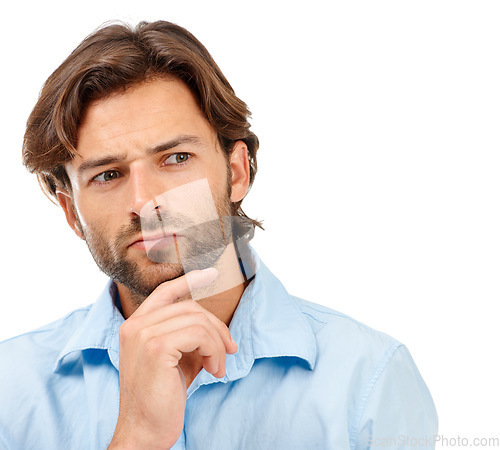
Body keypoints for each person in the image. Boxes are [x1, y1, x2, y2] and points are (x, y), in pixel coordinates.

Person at [0, 20, 438, 449]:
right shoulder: (10, 392)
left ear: (237, 171)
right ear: (70, 212)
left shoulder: (367, 380)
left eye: (175, 158)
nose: (145, 201)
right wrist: (137, 439)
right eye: (108, 174)